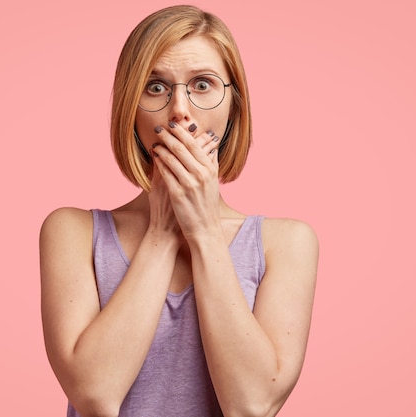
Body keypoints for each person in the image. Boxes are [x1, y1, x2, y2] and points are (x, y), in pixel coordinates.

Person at [39, 5, 318, 417]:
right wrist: (162, 231)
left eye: (202, 84)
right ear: (129, 110)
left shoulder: (287, 243)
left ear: (233, 106)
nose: (179, 111)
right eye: (155, 87)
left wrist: (203, 229)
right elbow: (95, 395)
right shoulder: (73, 232)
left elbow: (252, 405)